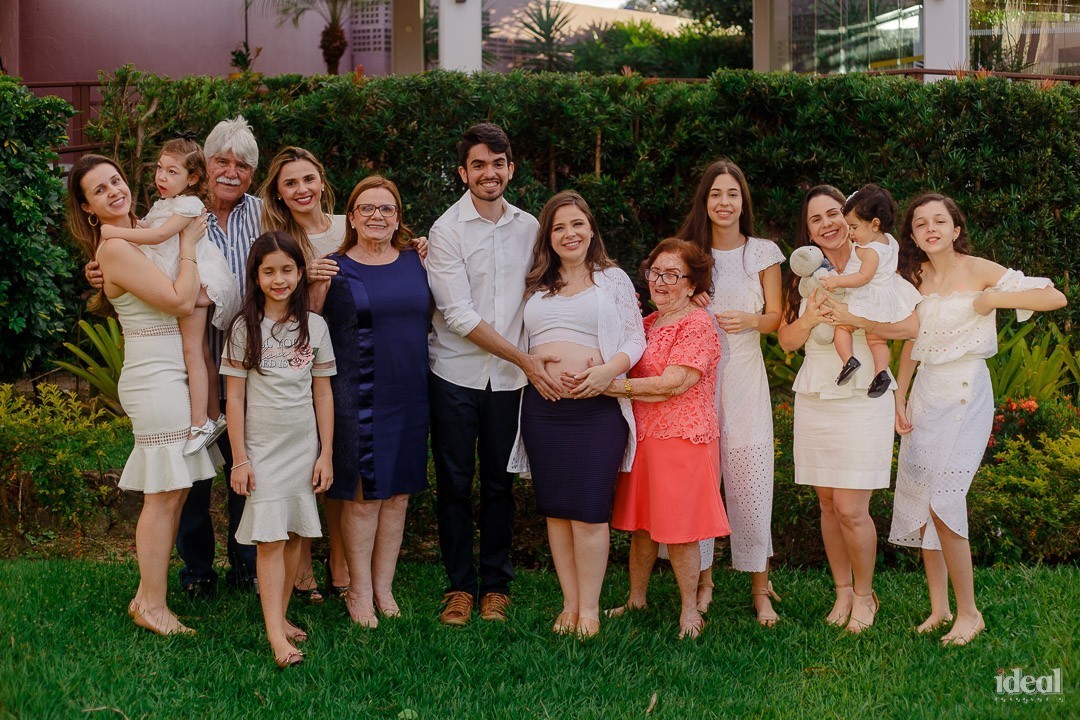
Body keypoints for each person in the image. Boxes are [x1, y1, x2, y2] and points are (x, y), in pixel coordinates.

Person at [890, 193, 1066, 646]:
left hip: (967, 391)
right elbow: (912, 340)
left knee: (946, 498)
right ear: (913, 236)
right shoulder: (915, 276)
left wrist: (992, 299)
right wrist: (900, 397)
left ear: (954, 228)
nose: (931, 229)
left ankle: (970, 613)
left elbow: (1055, 296)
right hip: (926, 392)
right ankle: (939, 608)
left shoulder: (979, 268)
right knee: (927, 495)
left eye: (939, 221)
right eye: (921, 224)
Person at [67, 155, 216, 635]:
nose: (114, 191)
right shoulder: (113, 249)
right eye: (99, 191)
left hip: (170, 366)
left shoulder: (143, 228)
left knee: (173, 493)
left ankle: (150, 598)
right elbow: (176, 299)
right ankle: (150, 604)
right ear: (89, 209)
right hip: (154, 374)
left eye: (115, 180)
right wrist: (190, 245)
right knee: (162, 494)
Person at [426, 122, 562, 626]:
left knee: (502, 486)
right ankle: (460, 587)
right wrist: (525, 359)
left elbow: (554, 284)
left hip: (510, 385)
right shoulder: (446, 231)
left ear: (511, 168)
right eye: (479, 164)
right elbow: (458, 316)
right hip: (456, 376)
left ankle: (496, 586)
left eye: (498, 163)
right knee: (456, 483)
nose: (490, 173)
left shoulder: (531, 226)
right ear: (463, 172)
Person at [777, 185, 919, 633]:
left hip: (865, 393)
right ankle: (841, 591)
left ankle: (865, 594)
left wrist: (860, 322)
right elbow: (785, 341)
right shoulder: (802, 277)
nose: (827, 224)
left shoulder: (876, 264)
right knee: (826, 503)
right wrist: (813, 318)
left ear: (851, 217)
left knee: (852, 506)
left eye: (834, 213)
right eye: (816, 218)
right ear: (810, 230)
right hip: (817, 390)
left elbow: (912, 325)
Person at [508, 191, 645, 638]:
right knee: (557, 511)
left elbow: (634, 338)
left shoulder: (613, 279)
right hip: (544, 411)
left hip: (596, 409)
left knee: (588, 511)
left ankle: (590, 608)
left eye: (577, 224)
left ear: (591, 229)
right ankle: (568, 604)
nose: (570, 234)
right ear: (548, 237)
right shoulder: (535, 284)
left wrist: (608, 370)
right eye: (559, 227)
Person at [314, 175, 431, 627]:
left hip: (411, 392)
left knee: (398, 496)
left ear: (398, 216)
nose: (377, 216)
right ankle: (357, 590)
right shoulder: (334, 266)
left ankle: (384, 586)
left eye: (386, 209)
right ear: (352, 216)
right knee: (364, 497)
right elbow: (306, 320)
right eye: (367, 208)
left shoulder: (417, 261)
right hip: (357, 395)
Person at [674, 159, 786, 625]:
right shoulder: (687, 255)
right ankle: (703, 581)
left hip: (744, 377)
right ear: (704, 201)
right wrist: (688, 297)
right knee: (702, 481)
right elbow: (664, 308)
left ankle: (760, 588)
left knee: (751, 481)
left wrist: (752, 321)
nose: (724, 202)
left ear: (744, 201)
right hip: (696, 381)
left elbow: (778, 319)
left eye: (732, 194)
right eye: (715, 194)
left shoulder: (763, 253)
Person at [604, 239, 731, 640]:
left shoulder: (697, 323)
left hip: (683, 441)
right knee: (642, 525)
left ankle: (690, 611)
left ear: (693, 284)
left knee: (680, 530)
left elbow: (677, 382)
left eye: (672, 274)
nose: (660, 281)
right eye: (655, 272)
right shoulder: (648, 323)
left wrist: (615, 387)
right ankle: (636, 598)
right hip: (645, 438)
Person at [223, 231, 336, 668]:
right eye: (268, 271)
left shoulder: (315, 326)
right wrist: (240, 458)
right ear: (255, 276)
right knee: (269, 540)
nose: (278, 278)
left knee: (292, 536)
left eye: (287, 269)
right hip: (262, 449)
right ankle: (275, 636)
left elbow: (322, 393)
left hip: (302, 445)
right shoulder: (243, 327)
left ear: (300, 273)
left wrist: (325, 453)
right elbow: (234, 398)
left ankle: (283, 615)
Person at [99, 138, 240, 456]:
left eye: (171, 171)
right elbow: (147, 226)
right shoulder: (165, 204)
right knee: (200, 352)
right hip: (183, 279)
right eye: (160, 169)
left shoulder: (188, 205)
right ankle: (214, 417)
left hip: (197, 282)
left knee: (193, 352)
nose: (161, 177)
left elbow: (157, 235)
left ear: (191, 178)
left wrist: (114, 232)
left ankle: (198, 423)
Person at [259, 146, 349, 603]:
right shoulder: (281, 238)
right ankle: (303, 568)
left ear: (321, 180)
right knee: (303, 462)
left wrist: (417, 245)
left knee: (338, 464)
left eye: (308, 179)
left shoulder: (346, 225)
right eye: (290, 183)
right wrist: (310, 281)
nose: (302, 190)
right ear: (278, 191)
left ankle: (340, 562)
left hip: (353, 354)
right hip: (300, 362)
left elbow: (384, 251)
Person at [819, 184, 921, 397]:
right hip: (888, 292)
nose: (850, 233)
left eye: (854, 227)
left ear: (875, 224)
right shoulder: (890, 241)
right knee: (876, 339)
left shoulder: (869, 251)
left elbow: (863, 277)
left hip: (869, 294)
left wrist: (837, 282)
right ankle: (881, 372)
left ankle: (848, 360)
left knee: (842, 328)